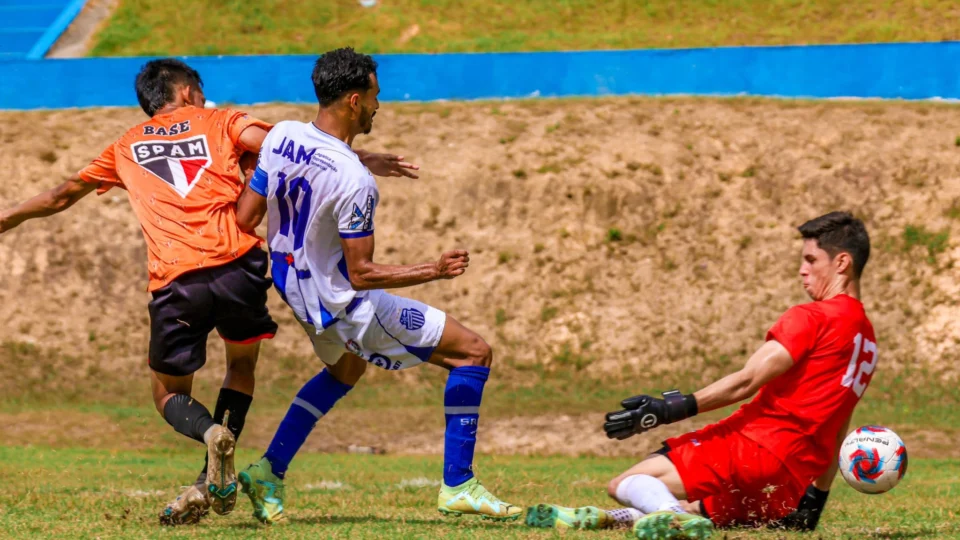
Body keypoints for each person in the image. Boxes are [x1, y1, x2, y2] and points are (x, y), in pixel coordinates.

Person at [0, 58, 418, 526]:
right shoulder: (221, 121)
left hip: (178, 280)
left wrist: (6, 219)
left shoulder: (125, 146)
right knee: (240, 366)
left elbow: (61, 195)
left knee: (166, 393)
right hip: (239, 267)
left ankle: (210, 435)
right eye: (199, 92)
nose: (204, 99)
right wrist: (362, 159)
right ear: (184, 91)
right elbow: (294, 151)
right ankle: (206, 476)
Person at [231, 47, 522, 524]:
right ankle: (459, 484)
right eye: (373, 97)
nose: (377, 106)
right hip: (344, 304)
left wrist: (362, 158)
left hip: (296, 293)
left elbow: (246, 215)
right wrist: (435, 268)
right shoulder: (356, 181)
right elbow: (362, 273)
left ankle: (268, 470)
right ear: (352, 100)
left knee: (346, 371)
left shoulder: (281, 136)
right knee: (473, 352)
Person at [525, 211, 876, 540]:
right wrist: (815, 499)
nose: (802, 270)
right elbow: (838, 424)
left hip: (754, 448)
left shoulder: (814, 317)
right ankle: (607, 519)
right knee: (696, 508)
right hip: (788, 480)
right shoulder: (867, 340)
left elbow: (746, 381)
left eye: (811, 260)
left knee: (627, 483)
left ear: (841, 262)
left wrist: (668, 409)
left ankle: (668, 517)